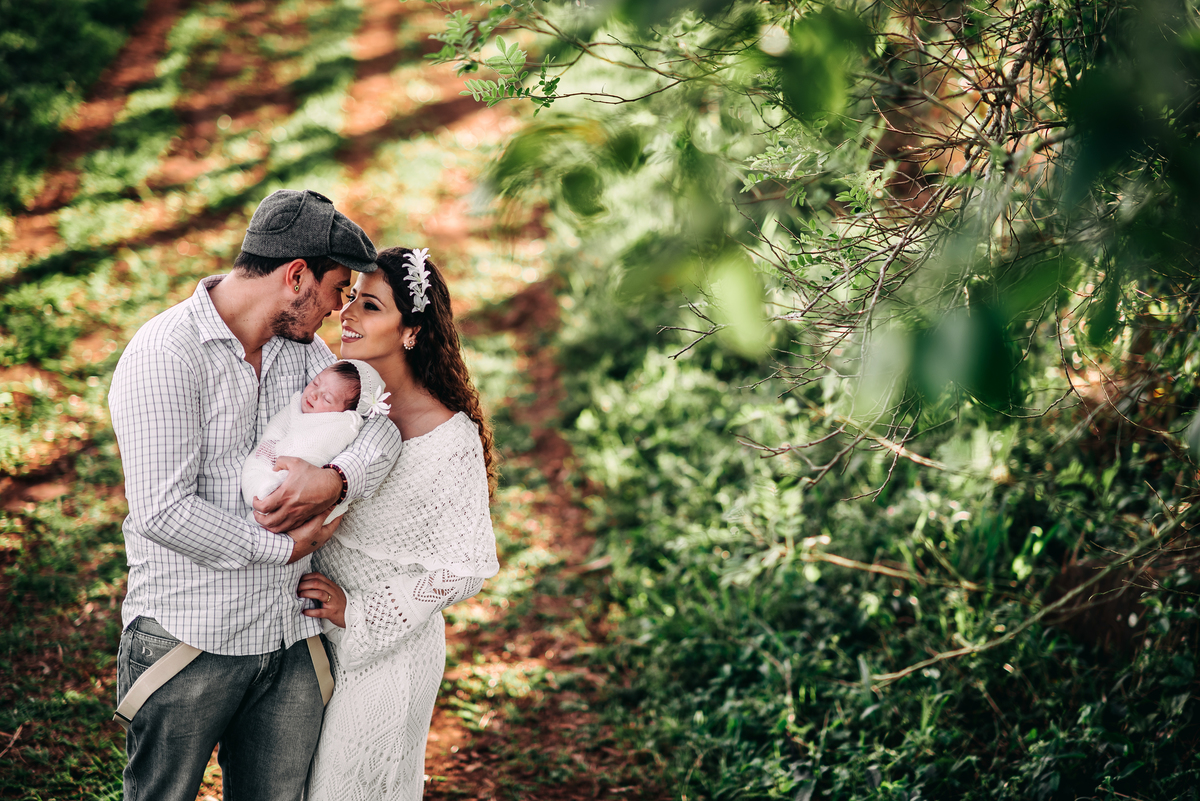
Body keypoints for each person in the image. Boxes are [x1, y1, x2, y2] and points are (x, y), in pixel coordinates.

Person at [108, 189, 403, 801]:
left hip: (290, 641)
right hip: (189, 638)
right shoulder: (166, 354)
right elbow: (162, 509)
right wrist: (283, 549)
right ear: (297, 276)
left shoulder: (302, 354)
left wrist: (337, 478)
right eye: (336, 289)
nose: (336, 309)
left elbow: (379, 428)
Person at [297, 246, 500, 800]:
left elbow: (464, 568)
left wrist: (360, 609)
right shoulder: (344, 403)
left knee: (348, 791)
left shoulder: (448, 437)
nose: (349, 315)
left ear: (411, 331)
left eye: (371, 306)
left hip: (392, 648)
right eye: (350, 300)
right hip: (311, 634)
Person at [241, 359, 393, 524]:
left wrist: (281, 460)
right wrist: (271, 447)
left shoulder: (339, 427)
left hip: (299, 484)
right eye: (315, 383)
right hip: (268, 466)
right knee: (255, 471)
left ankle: (268, 499)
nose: (313, 394)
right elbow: (276, 428)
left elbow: (313, 453)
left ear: (345, 413)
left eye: (327, 399)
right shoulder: (296, 406)